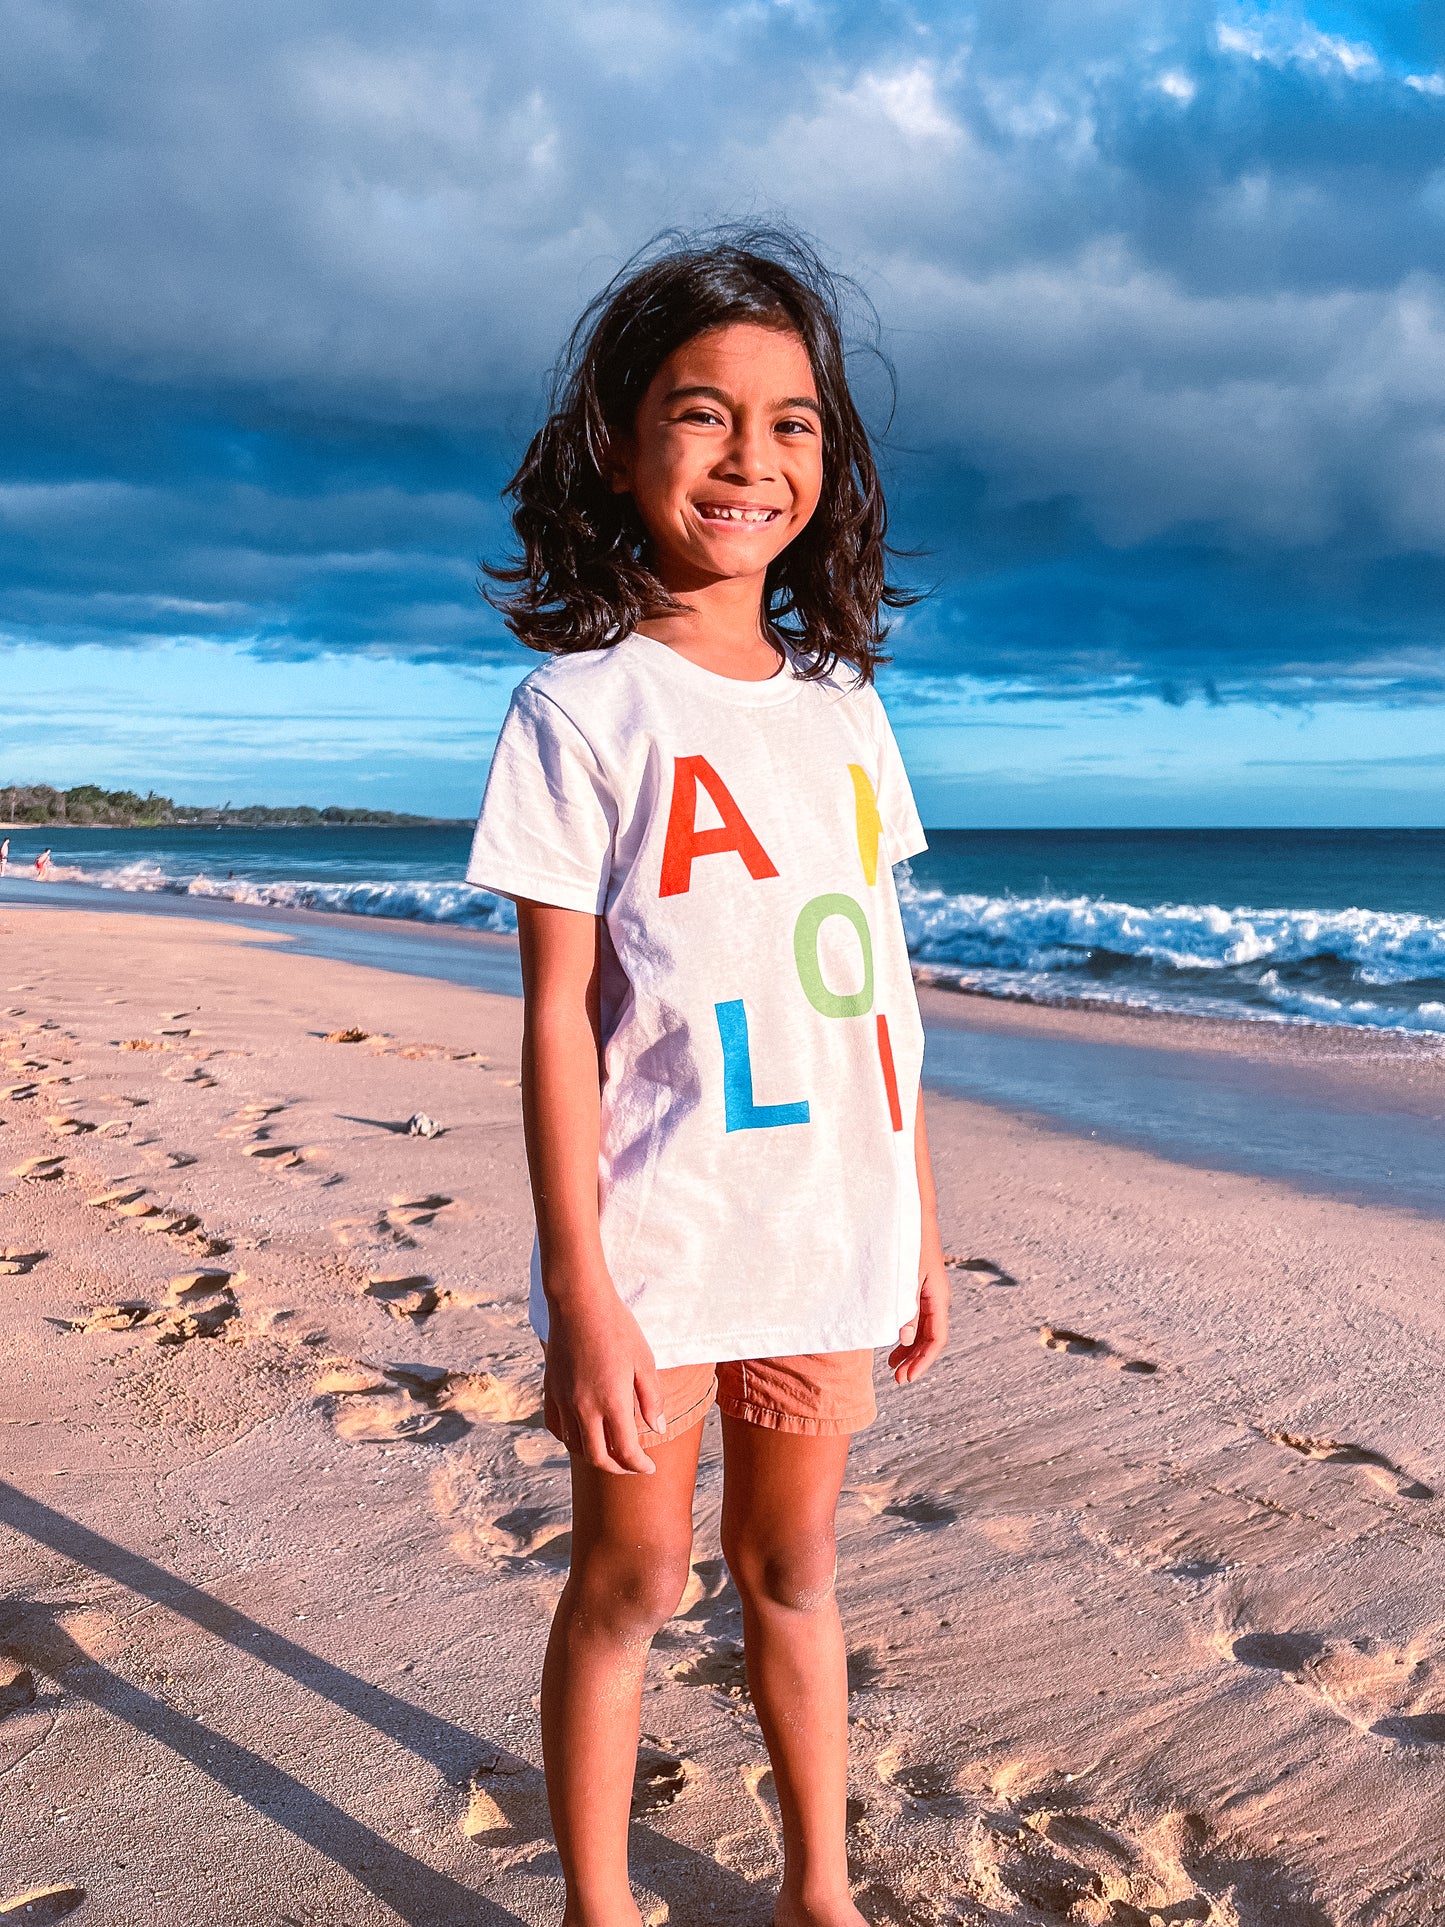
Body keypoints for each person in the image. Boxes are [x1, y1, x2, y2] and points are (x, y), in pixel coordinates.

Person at [467, 228, 950, 1927]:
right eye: (702, 413)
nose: (751, 458)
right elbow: (556, 1020)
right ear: (616, 446)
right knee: (633, 1581)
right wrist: (580, 1292)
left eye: (791, 422)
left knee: (793, 1567)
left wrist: (916, 1221)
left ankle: (820, 1892)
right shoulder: (578, 711)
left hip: (826, 1224)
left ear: (830, 458)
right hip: (658, 1238)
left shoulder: (845, 709)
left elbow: (875, 989)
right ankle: (599, 1906)